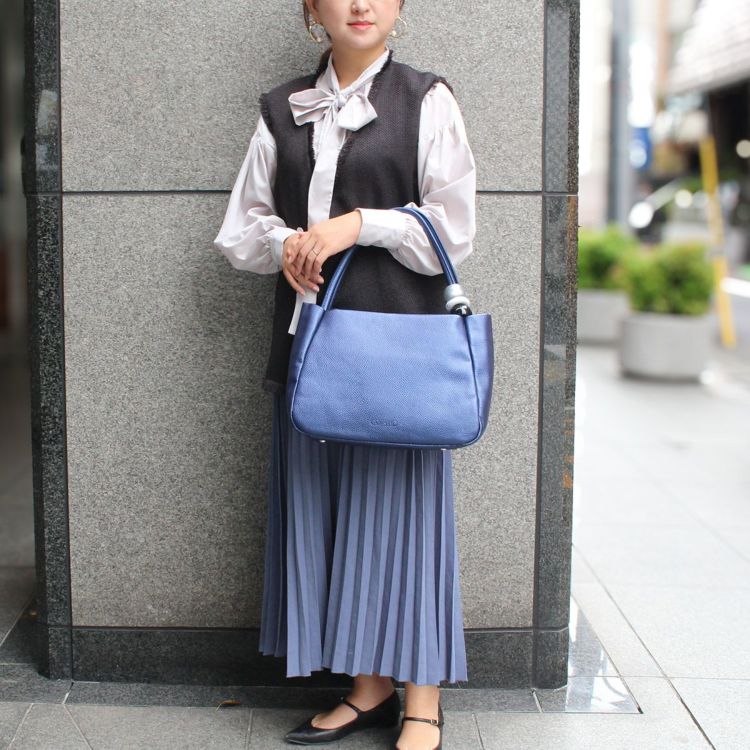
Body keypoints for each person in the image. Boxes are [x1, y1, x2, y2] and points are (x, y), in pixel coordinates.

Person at [213, 1, 477, 748]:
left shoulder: (426, 98)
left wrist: (358, 224)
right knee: (328, 515)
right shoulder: (283, 109)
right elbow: (241, 228)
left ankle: (422, 700)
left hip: (399, 352)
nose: (361, 3)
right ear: (311, 8)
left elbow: (453, 230)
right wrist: (291, 244)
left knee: (405, 520)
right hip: (314, 350)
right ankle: (368, 687)